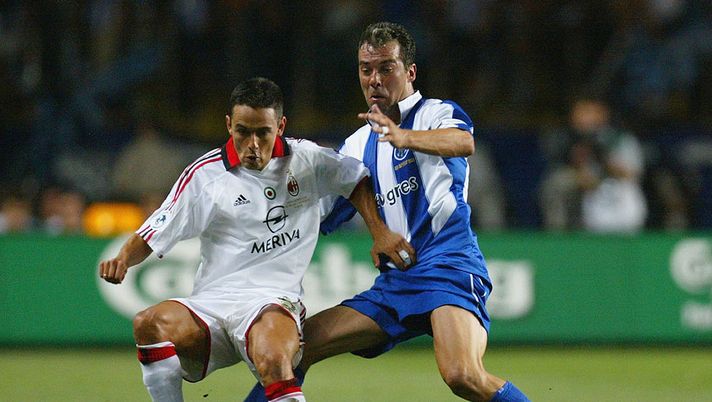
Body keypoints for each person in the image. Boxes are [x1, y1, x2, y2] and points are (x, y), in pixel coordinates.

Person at [245, 22, 529, 402]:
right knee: (290, 350)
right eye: (366, 69)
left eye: (386, 68)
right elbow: (318, 214)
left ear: (409, 72)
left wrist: (403, 136)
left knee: (462, 374)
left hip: (449, 266)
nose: (374, 79)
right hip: (396, 284)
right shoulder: (357, 144)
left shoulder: (435, 113)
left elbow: (463, 142)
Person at [98, 77, 414, 402]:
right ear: (228, 125)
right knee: (149, 324)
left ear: (280, 126)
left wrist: (380, 233)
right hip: (213, 303)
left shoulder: (307, 159)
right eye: (242, 131)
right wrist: (123, 258)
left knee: (276, 360)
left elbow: (356, 179)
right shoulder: (204, 176)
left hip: (273, 301)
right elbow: (154, 230)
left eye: (262, 132)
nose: (252, 144)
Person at [539, 96, 647, 233]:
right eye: (578, 112)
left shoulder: (620, 138)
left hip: (617, 192)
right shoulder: (566, 137)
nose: (580, 118)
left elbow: (631, 173)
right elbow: (562, 167)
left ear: (601, 114)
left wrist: (605, 160)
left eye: (586, 112)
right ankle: (557, 234)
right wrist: (581, 174)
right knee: (555, 184)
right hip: (586, 188)